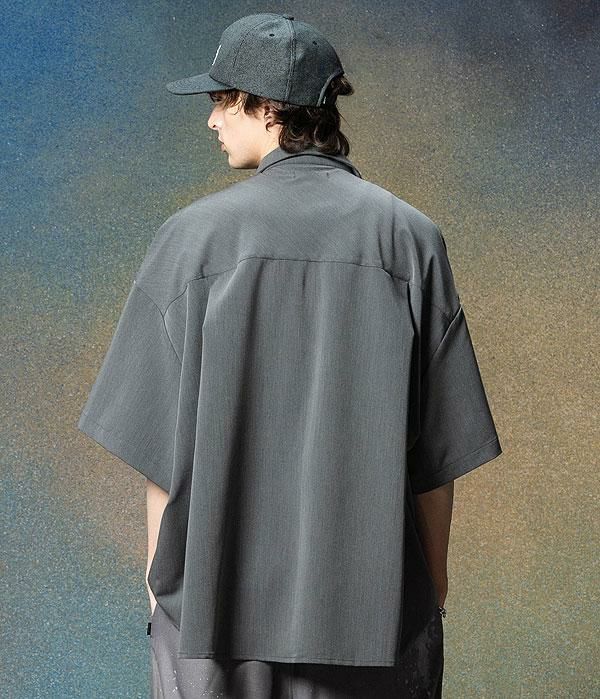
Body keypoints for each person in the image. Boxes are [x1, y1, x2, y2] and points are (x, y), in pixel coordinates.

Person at [77, 12, 502, 698]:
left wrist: (161, 599)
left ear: (269, 108)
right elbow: (436, 462)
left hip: (212, 627)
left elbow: (162, 457)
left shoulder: (191, 240)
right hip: (376, 630)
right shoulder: (411, 241)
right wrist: (430, 597)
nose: (212, 119)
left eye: (223, 100)